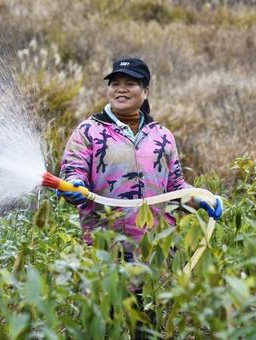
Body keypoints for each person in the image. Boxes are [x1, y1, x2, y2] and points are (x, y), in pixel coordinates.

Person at [57, 58, 222, 259]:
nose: (121, 89)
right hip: (105, 251)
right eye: (115, 84)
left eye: (130, 83)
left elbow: (174, 189)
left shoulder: (162, 136)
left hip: (157, 252)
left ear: (145, 92)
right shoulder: (88, 131)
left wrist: (200, 198)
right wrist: (72, 185)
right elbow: (72, 171)